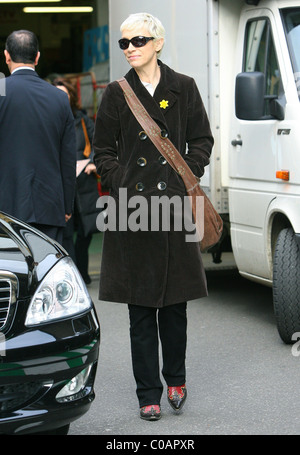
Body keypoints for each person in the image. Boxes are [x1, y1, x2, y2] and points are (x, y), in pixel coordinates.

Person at [93, 13, 214, 420]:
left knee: (175, 304)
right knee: (140, 309)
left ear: (158, 43)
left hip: (174, 208)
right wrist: (122, 180)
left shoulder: (184, 87)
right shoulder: (116, 93)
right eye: (124, 43)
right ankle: (149, 392)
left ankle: (175, 377)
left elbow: (201, 139)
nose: (130, 48)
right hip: (133, 212)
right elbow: (102, 152)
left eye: (138, 40)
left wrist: (186, 176)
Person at [0, 30, 76, 244]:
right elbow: (67, 158)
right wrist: (66, 205)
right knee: (46, 272)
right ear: (37, 57)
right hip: (49, 205)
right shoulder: (59, 98)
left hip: (4, 208)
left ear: (6, 56)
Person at [53, 79, 98, 284]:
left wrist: (92, 162)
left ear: (71, 96)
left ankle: (82, 270)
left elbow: (100, 143)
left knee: (87, 230)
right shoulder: (49, 119)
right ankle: (73, 277)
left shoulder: (82, 119)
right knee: (66, 232)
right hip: (63, 184)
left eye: (65, 93)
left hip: (85, 183)